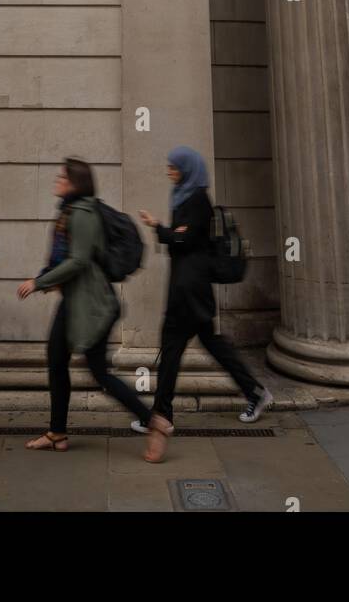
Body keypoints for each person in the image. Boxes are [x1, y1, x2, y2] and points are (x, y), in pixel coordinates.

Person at [139, 146, 272, 464]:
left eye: (173, 166)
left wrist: (158, 227)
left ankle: (163, 415)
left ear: (187, 169)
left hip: (190, 290)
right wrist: (168, 232)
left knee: (180, 346)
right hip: (187, 288)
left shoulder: (197, 200)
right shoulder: (185, 196)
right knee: (202, 345)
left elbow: (183, 240)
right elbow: (181, 239)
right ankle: (252, 393)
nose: (169, 170)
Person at [17, 158, 150, 451]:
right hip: (75, 302)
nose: (57, 181)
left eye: (62, 177)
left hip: (92, 305)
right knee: (56, 361)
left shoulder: (82, 213)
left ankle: (153, 421)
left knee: (99, 373)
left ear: (75, 183)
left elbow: (78, 260)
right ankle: (57, 433)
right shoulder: (69, 211)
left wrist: (38, 282)